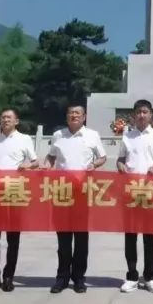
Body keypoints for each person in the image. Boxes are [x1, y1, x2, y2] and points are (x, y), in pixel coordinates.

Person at [44, 105, 106, 294]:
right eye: (71, 113)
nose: (74, 116)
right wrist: (46, 166)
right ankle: (62, 277)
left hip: (83, 191)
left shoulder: (92, 135)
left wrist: (94, 164)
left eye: (77, 113)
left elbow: (102, 157)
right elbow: (51, 157)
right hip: (62, 190)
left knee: (81, 238)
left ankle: (79, 277)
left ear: (84, 116)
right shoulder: (58, 135)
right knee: (63, 237)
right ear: (67, 117)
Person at [0, 108, 37, 293]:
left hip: (14, 191)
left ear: (16, 121)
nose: (5, 120)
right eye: (2, 117)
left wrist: (28, 165)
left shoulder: (24, 139)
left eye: (9, 117)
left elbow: (35, 162)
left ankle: (8, 276)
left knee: (13, 237)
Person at [117, 99, 153, 294]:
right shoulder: (127, 137)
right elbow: (121, 159)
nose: (142, 115)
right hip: (131, 192)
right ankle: (131, 275)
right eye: (138, 112)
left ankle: (149, 276)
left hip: (151, 191)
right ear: (134, 115)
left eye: (145, 112)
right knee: (130, 236)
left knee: (150, 236)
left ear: (151, 115)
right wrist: (121, 165)